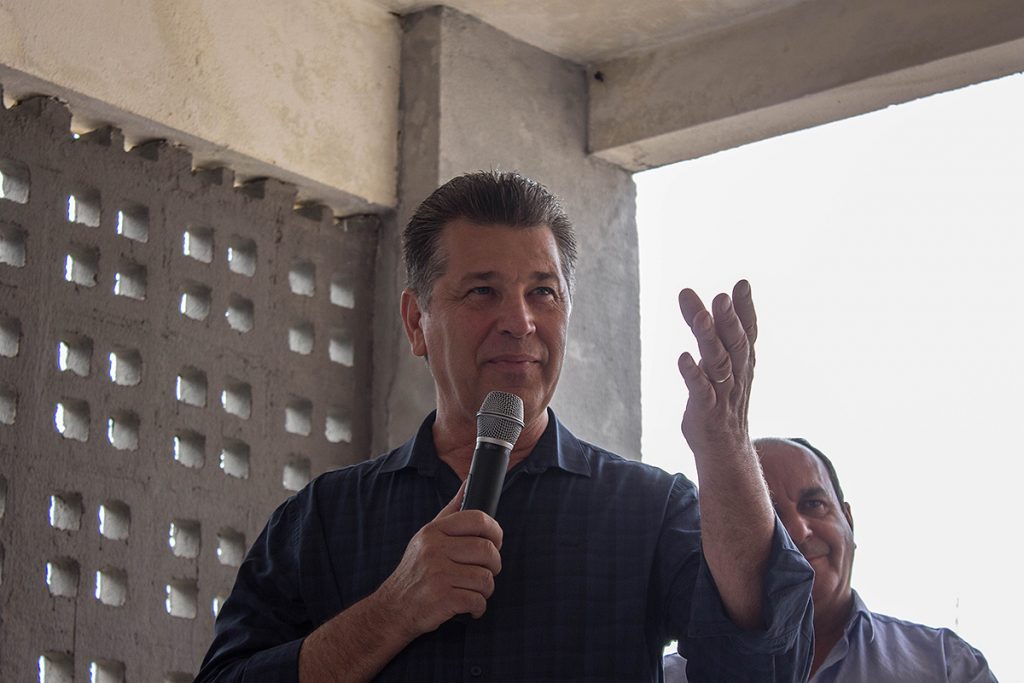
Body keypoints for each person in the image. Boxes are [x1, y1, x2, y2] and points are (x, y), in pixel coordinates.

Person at [196, 171, 814, 682]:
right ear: (416, 321)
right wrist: (392, 610)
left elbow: (764, 663)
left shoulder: (647, 509)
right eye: (482, 292)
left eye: (543, 292)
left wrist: (725, 445)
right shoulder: (326, 520)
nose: (519, 321)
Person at [665, 437, 999, 682]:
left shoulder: (945, 666)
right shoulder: (669, 677)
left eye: (814, 504)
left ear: (848, 521)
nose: (797, 532)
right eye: (770, 518)